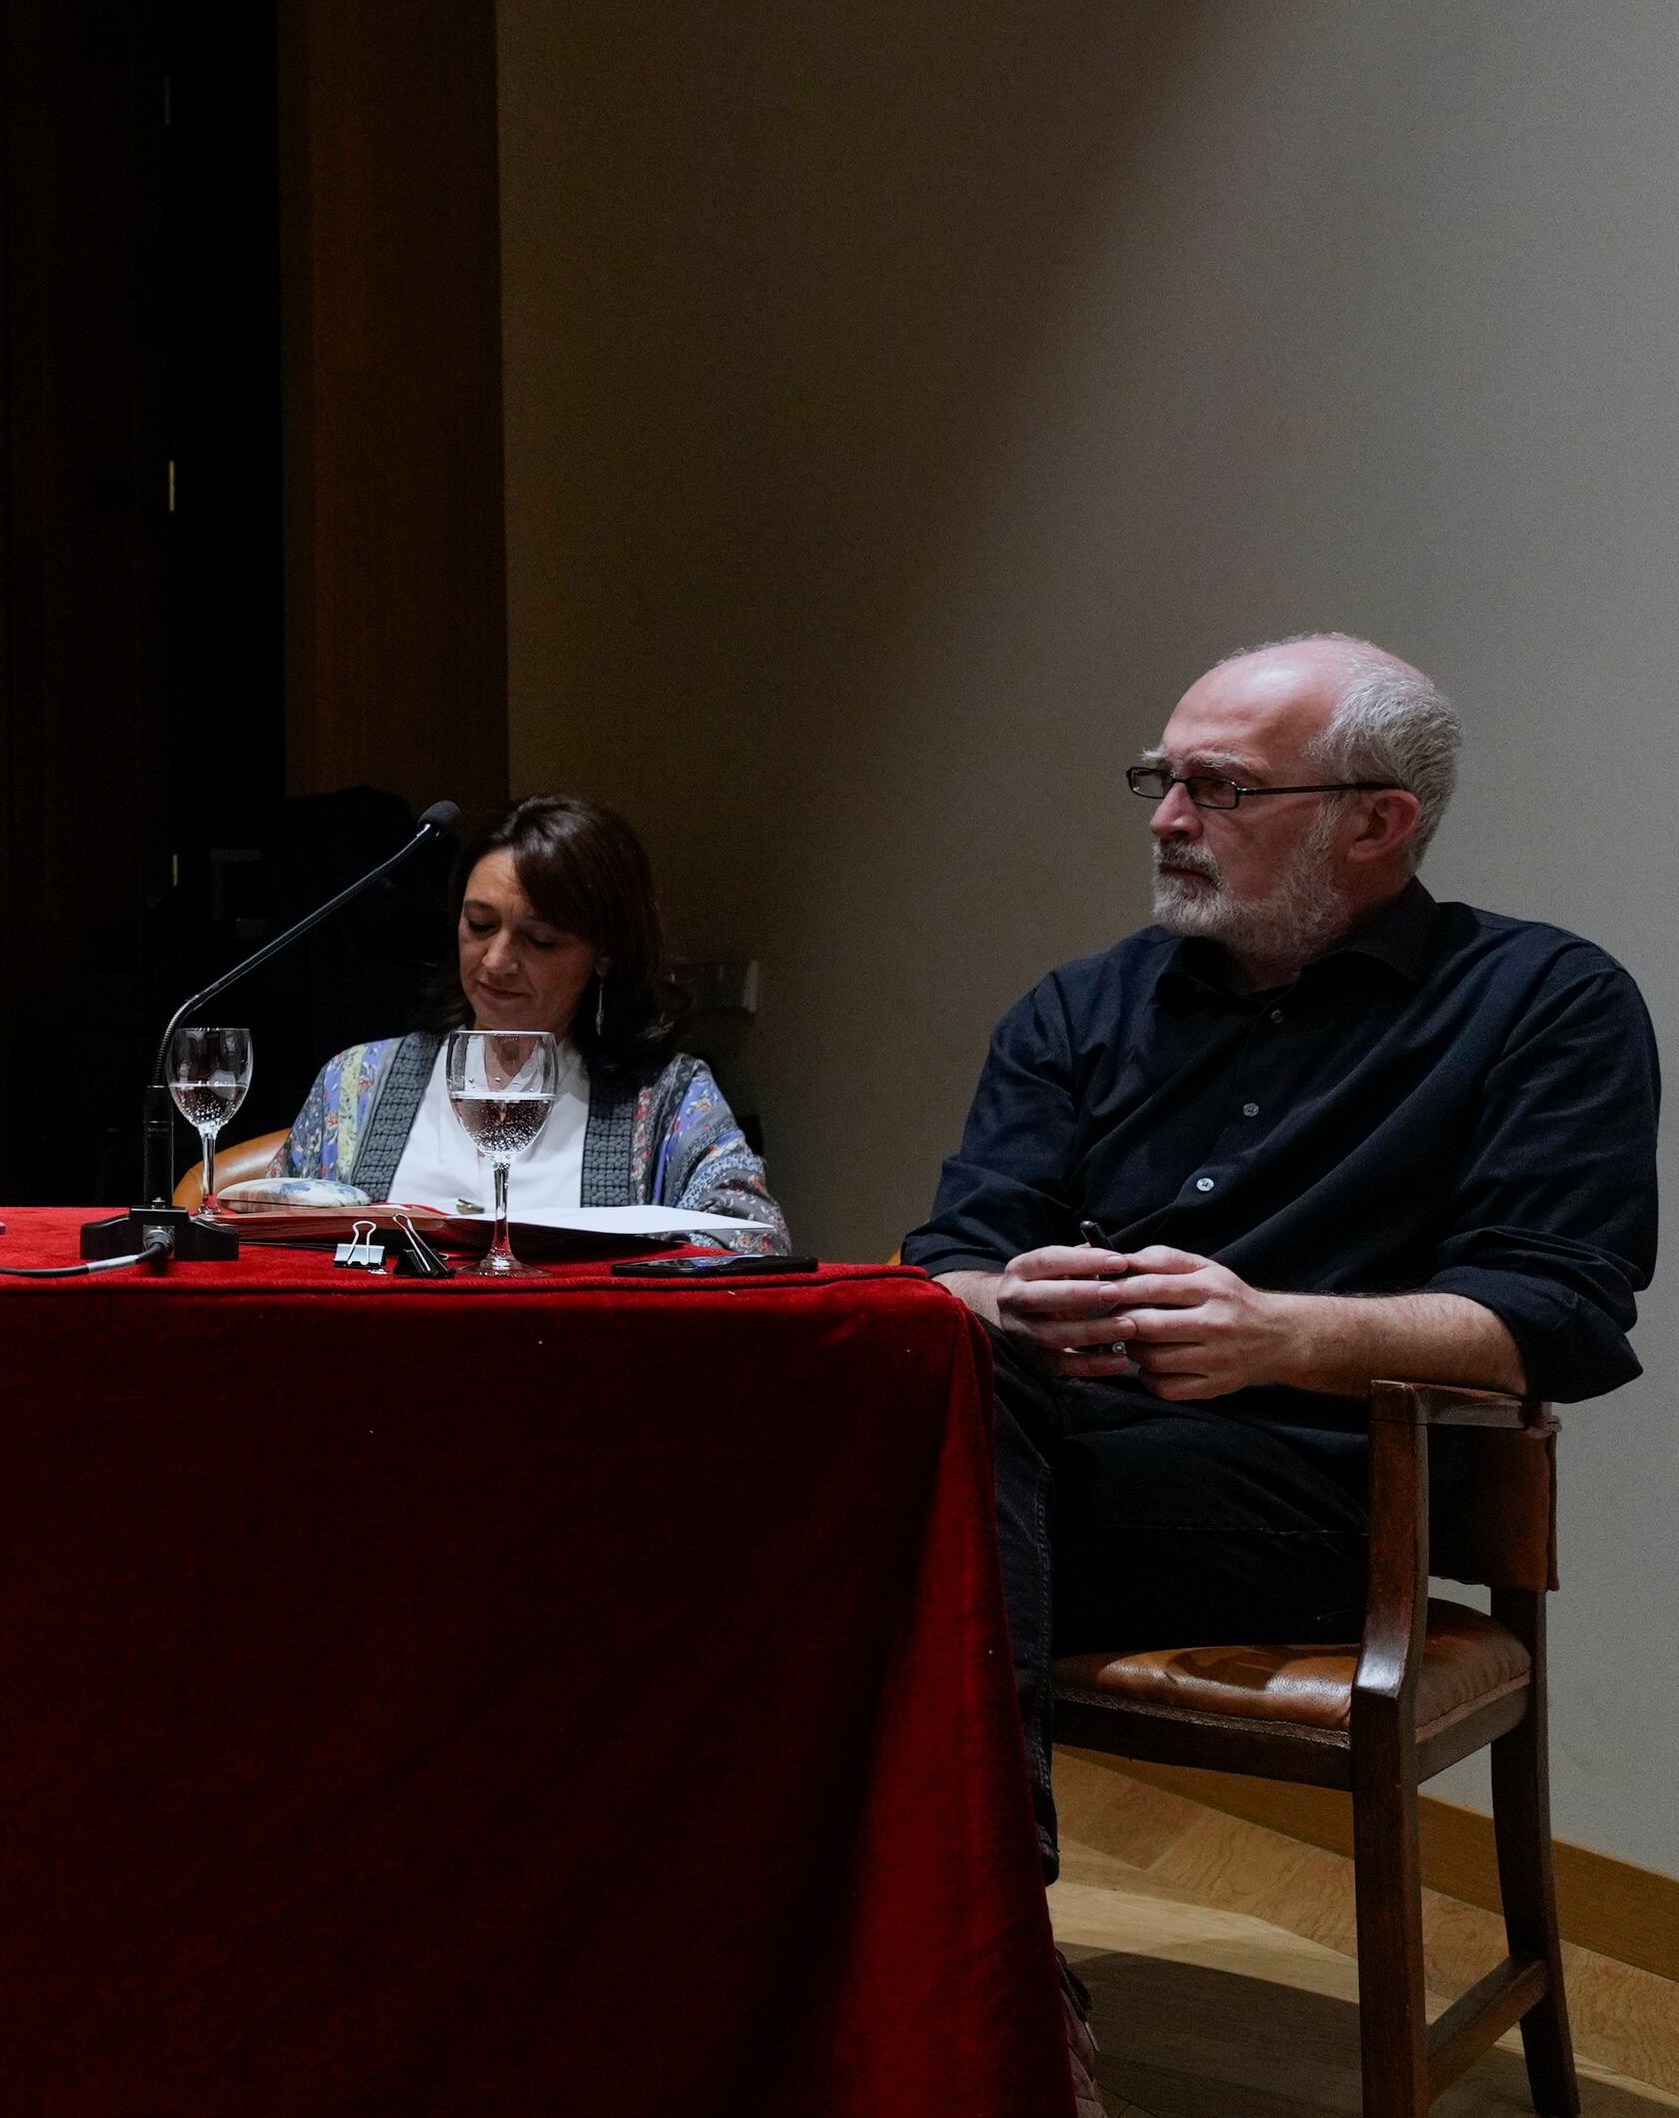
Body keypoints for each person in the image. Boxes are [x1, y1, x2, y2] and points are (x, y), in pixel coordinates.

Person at [911, 638, 1655, 1897]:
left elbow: (1558, 1309)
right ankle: (966, 1970)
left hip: (1319, 1504)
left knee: (865, 1535)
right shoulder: (1076, 1010)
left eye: (1221, 787)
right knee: (853, 1458)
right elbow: (945, 1267)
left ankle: (969, 1969)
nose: (1165, 818)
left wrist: (1279, 1334)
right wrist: (1006, 1299)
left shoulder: (1540, 999)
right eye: (1160, 776)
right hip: (1041, 1454)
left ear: (1377, 821)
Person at [270, 794, 785, 1239]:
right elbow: (269, 1243)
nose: (495, 962)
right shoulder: (356, 1082)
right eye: (479, 925)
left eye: (540, 940)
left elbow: (749, 1241)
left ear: (604, 952)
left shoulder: (670, 1097)